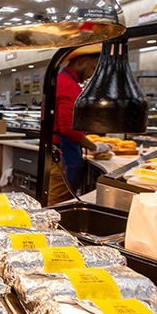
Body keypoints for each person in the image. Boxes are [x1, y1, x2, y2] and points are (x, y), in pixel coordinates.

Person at [49, 44, 113, 205]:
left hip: (57, 151)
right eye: (92, 68)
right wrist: (94, 147)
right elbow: (68, 129)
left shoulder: (61, 81)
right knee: (58, 201)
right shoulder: (69, 87)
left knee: (59, 198)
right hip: (62, 154)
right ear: (81, 62)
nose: (91, 75)